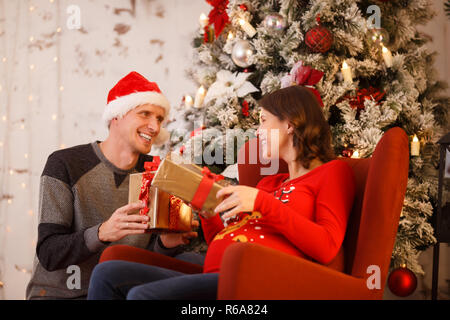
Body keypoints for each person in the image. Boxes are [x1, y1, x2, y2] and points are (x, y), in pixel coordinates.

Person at [87, 85, 356, 300]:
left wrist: (262, 203)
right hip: (220, 272)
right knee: (107, 272)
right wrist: (207, 208)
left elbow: (326, 247)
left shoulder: (331, 172)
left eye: (263, 121)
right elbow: (225, 238)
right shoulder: (271, 183)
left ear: (290, 123)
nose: (258, 131)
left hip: (258, 281)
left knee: (142, 295)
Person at [26, 71, 201, 300]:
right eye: (145, 114)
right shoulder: (65, 164)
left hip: (121, 291)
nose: (154, 126)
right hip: (60, 295)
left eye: (159, 119)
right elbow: (49, 253)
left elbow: (143, 259)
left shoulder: (158, 172)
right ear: (116, 116)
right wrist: (101, 233)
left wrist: (165, 244)